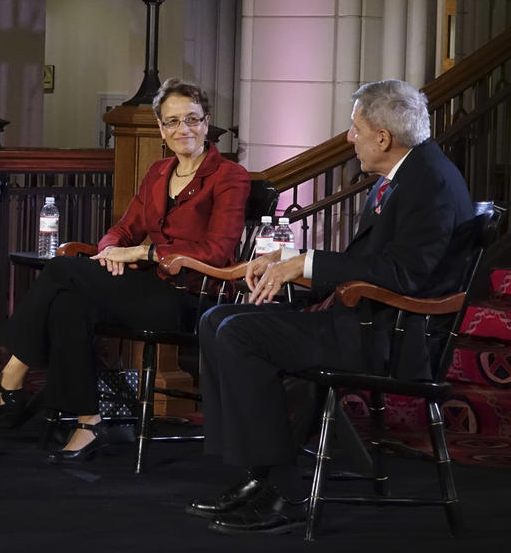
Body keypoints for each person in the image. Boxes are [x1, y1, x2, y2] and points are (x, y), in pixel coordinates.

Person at [190, 79, 475, 536]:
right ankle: (257, 473)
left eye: (354, 128)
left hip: (392, 338)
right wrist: (286, 261)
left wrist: (308, 262)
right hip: (366, 321)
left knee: (240, 333)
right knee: (216, 318)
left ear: (383, 136)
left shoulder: (430, 182)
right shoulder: (407, 174)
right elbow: (375, 263)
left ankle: (283, 488)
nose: (348, 138)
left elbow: (405, 276)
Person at [0, 79, 251, 463]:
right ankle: (89, 421)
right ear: (161, 128)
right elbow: (121, 229)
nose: (183, 130)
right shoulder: (159, 172)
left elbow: (219, 251)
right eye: (173, 121)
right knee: (68, 306)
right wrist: (111, 250)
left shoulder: (229, 177)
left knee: (62, 271)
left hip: (190, 297)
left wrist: (144, 251)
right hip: (144, 288)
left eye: (192, 119)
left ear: (207, 123)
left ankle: (10, 379)